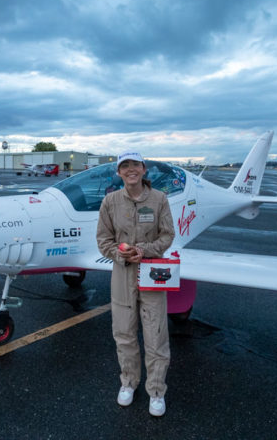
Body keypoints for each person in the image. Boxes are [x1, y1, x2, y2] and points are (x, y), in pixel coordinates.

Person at [96, 151, 175, 417]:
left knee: (156, 334)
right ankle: (128, 382)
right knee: (124, 333)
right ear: (119, 172)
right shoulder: (110, 201)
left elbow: (167, 236)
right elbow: (103, 240)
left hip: (153, 272)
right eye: (124, 166)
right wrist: (121, 253)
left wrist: (144, 250)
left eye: (135, 165)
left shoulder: (159, 199)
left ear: (143, 169)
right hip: (122, 273)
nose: (130, 170)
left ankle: (156, 390)